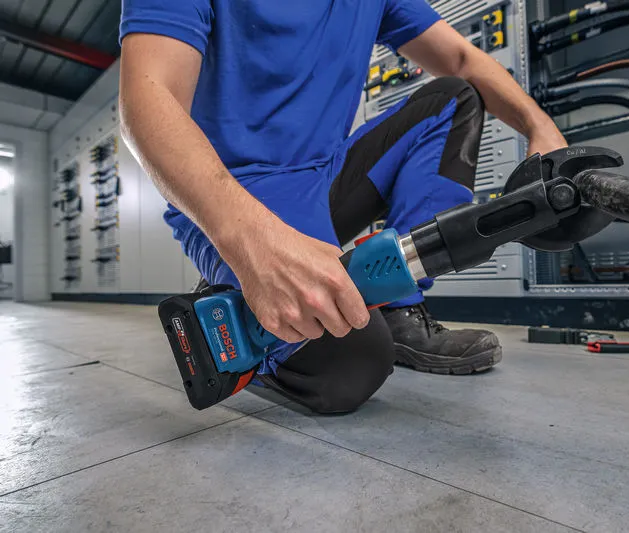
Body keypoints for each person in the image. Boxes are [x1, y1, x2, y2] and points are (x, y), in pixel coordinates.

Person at [119, 0, 567, 414]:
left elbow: (463, 60)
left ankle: (399, 308)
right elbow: (148, 95)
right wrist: (254, 246)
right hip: (236, 194)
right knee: (349, 368)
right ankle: (237, 306)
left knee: (453, 99)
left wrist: (539, 126)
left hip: (327, 177)